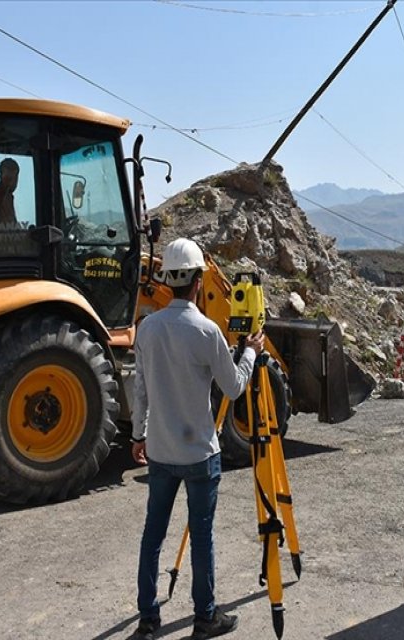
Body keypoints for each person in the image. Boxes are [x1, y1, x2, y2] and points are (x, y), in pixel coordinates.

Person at [130, 238, 265, 640]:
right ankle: (205, 617)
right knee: (201, 537)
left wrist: (138, 434)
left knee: (152, 536)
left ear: (168, 280)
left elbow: (140, 390)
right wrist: (251, 353)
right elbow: (235, 387)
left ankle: (148, 620)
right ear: (199, 280)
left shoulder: (147, 328)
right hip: (199, 456)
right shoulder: (207, 331)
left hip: (159, 450)